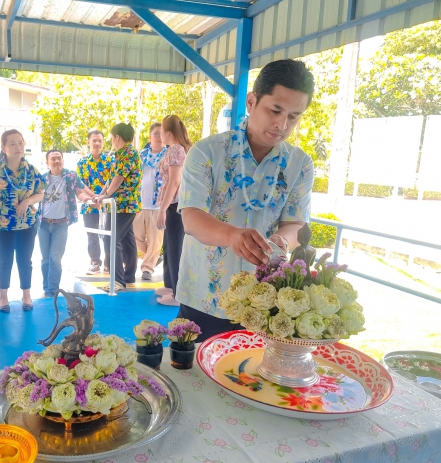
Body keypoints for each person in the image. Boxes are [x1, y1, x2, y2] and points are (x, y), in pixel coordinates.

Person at [176, 59, 316, 342]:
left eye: (293, 116)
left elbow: (295, 223)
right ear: (251, 102)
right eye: (275, 110)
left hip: (265, 303)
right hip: (205, 297)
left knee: (256, 370)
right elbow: (191, 218)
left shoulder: (300, 164)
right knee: (194, 369)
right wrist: (232, 236)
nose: (282, 124)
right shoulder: (207, 152)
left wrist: (283, 240)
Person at [0, 129, 44, 313]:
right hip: (2, 224)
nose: (18, 147)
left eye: (20, 143)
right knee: (4, 260)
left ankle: (26, 295)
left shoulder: (31, 170)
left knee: (25, 260)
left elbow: (40, 193)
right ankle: (3, 297)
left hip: (27, 223)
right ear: (3, 148)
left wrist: (27, 201)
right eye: (13, 143)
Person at [39, 149, 94, 297]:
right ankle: (47, 288)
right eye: (53, 159)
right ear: (47, 162)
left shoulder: (70, 176)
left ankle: (52, 291)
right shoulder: (42, 179)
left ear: (63, 160)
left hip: (61, 225)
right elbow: (32, 196)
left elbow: (80, 190)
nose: (57, 161)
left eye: (59, 158)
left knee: (55, 258)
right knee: (45, 259)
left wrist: (89, 198)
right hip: (43, 224)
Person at [95, 123, 142, 291]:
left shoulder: (129, 153)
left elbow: (119, 178)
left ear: (117, 137)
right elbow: (111, 179)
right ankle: (128, 276)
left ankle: (118, 280)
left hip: (125, 204)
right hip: (121, 204)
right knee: (127, 239)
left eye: (112, 137)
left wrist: (106, 195)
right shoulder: (120, 154)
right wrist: (100, 195)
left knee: (111, 238)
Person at [156, 115, 191, 307]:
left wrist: (163, 208)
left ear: (168, 132)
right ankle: (170, 285)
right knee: (169, 245)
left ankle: (179, 294)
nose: (159, 135)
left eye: (161, 131)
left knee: (175, 247)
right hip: (171, 203)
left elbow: (174, 181)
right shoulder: (173, 149)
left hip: (175, 204)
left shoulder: (176, 150)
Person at [76, 130, 113, 275]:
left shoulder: (110, 161)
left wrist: (102, 197)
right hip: (89, 205)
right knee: (92, 236)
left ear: (103, 142)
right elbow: (79, 184)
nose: (97, 143)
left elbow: (113, 182)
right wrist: (92, 198)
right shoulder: (82, 162)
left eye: (99, 140)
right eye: (94, 140)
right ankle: (95, 262)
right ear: (88, 142)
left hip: (108, 205)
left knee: (109, 235)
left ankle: (109, 263)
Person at [133, 122, 166, 282]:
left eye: (162, 133)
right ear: (150, 136)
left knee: (154, 240)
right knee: (136, 235)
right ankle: (152, 257)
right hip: (140, 204)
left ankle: (147, 268)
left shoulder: (168, 155)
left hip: (158, 205)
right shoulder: (142, 155)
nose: (159, 137)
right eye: (156, 133)